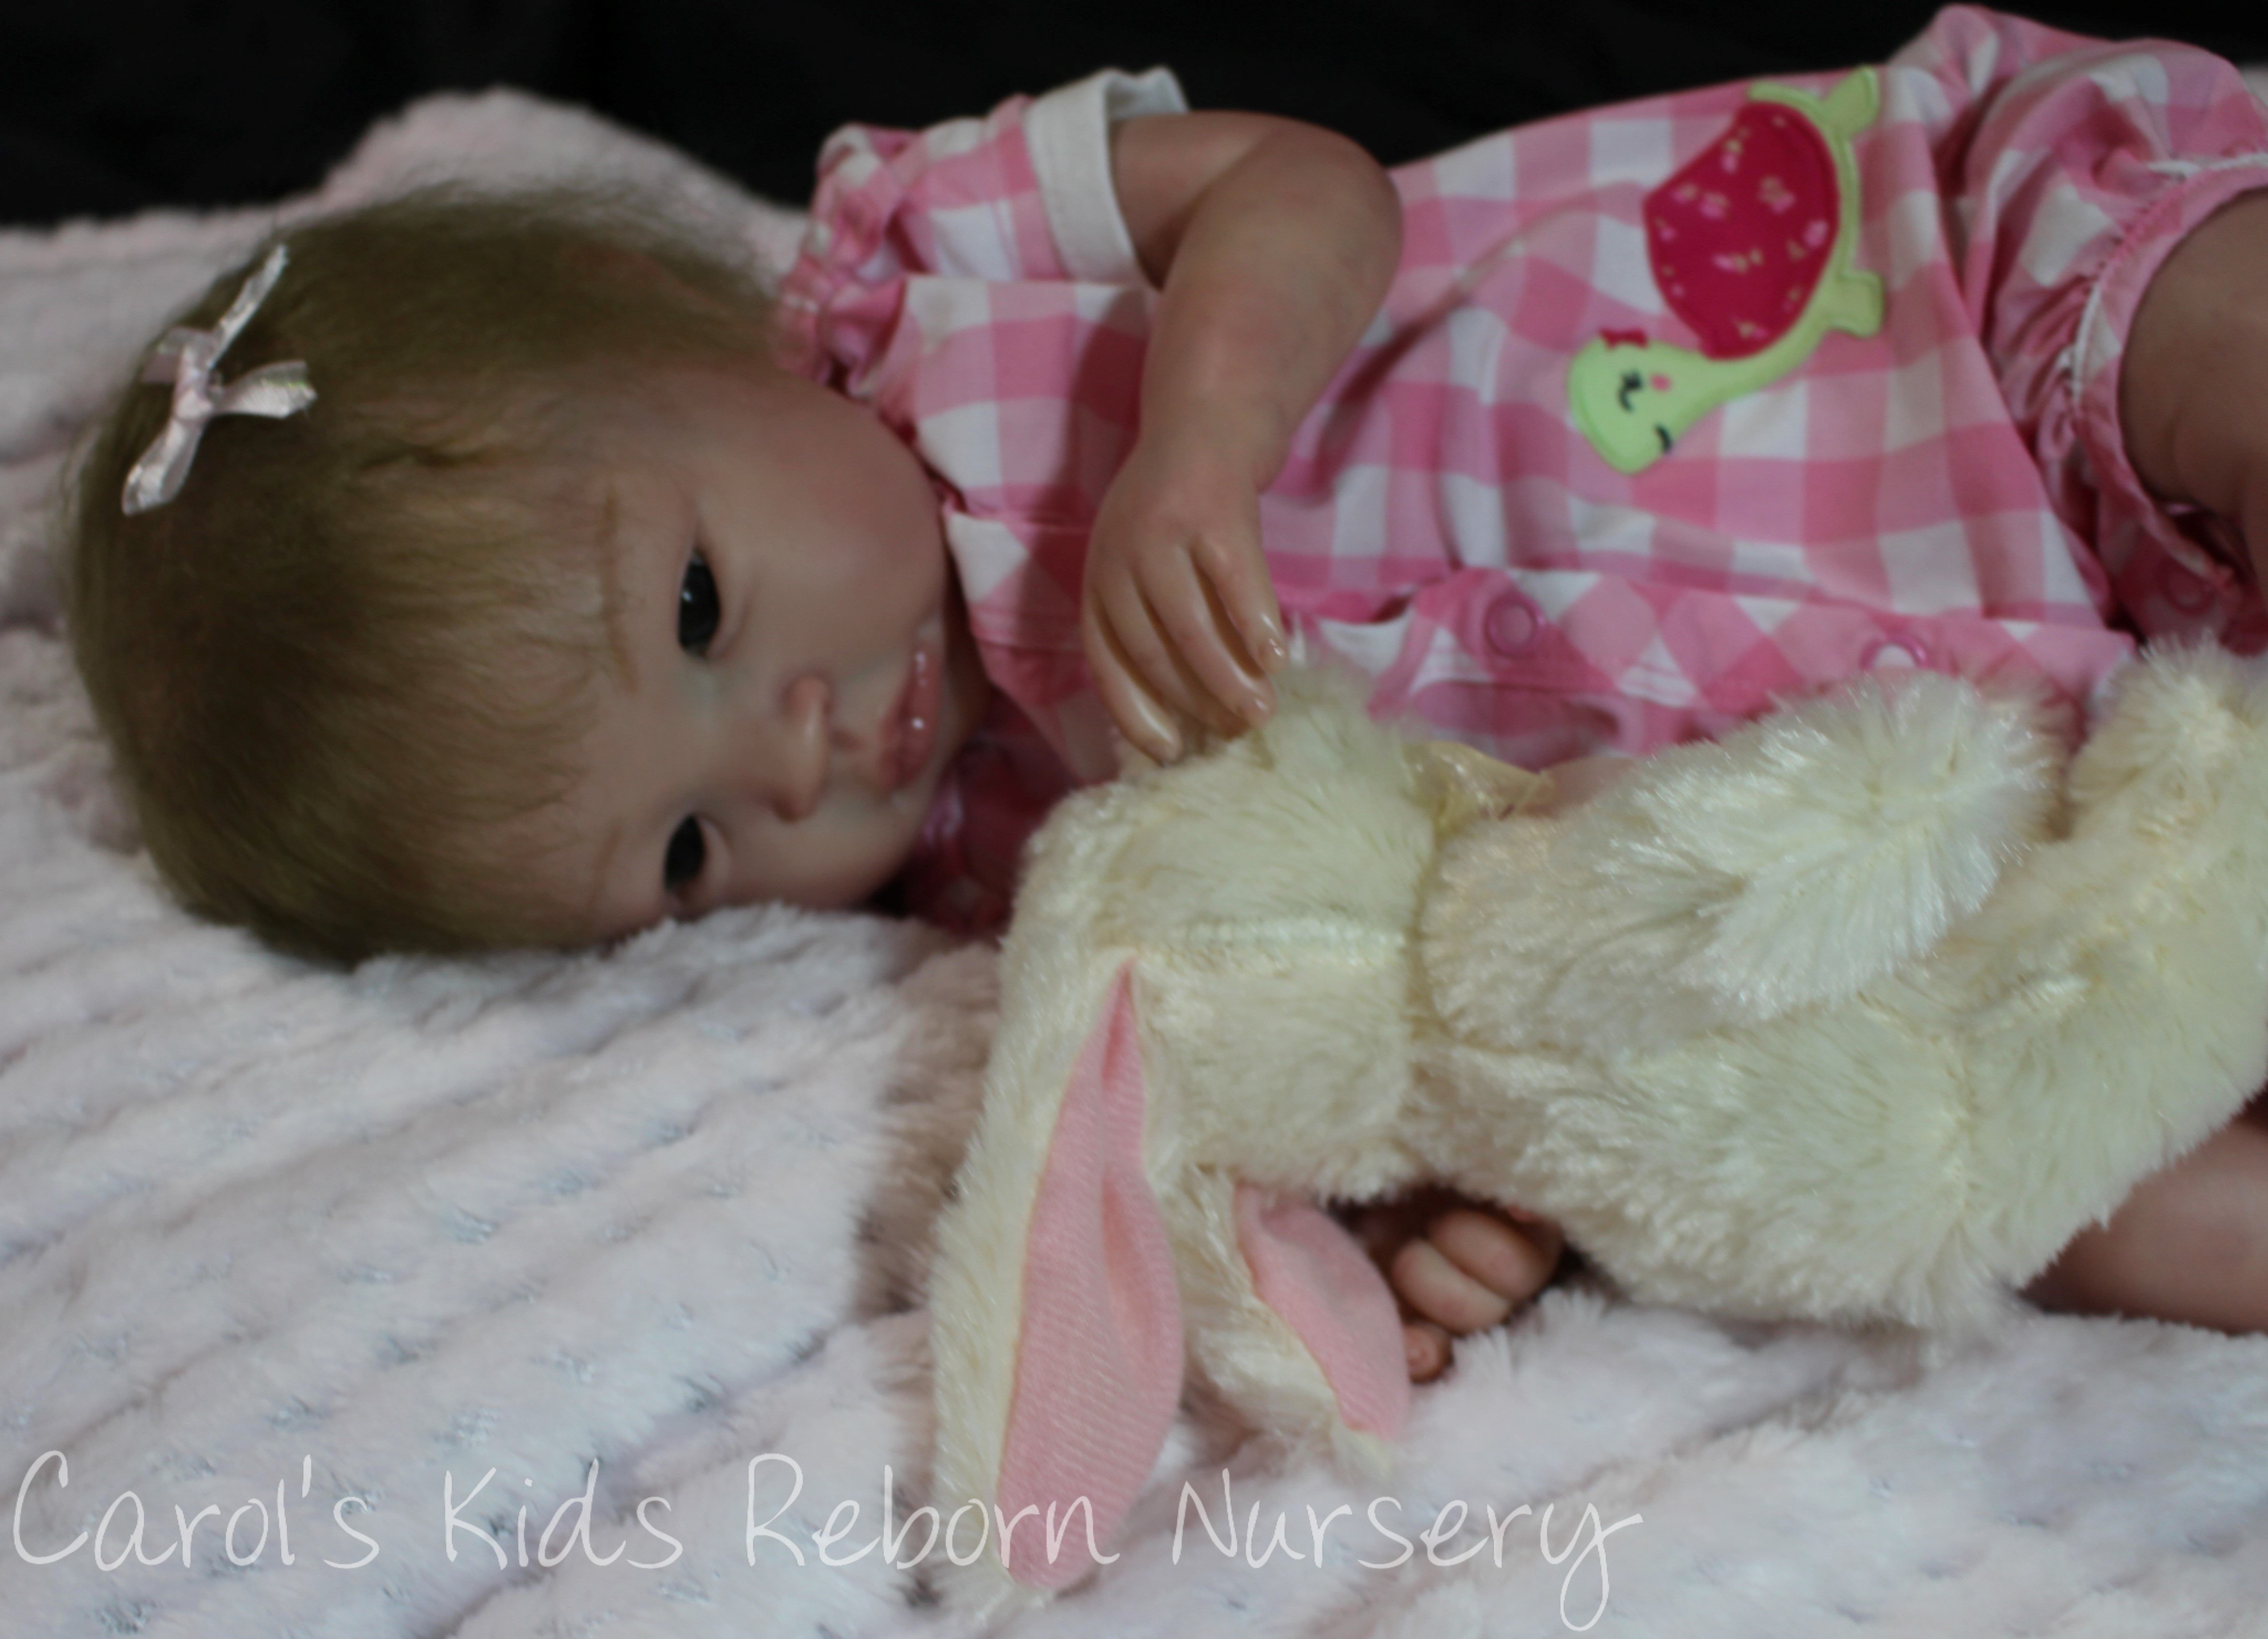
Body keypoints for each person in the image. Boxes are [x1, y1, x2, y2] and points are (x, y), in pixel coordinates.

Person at [63, 5, 2268, 1377]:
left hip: (1910, 331)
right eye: (688, 845)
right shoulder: (1019, 878)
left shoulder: (919, 258)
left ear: (664, 326)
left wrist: (1195, 439)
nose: (797, 753)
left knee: (2211, 347)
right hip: (1934, 809)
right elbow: (1356, 991)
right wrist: (1445, 1187)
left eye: (704, 609)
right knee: (2054, 1186)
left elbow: (1303, 190)